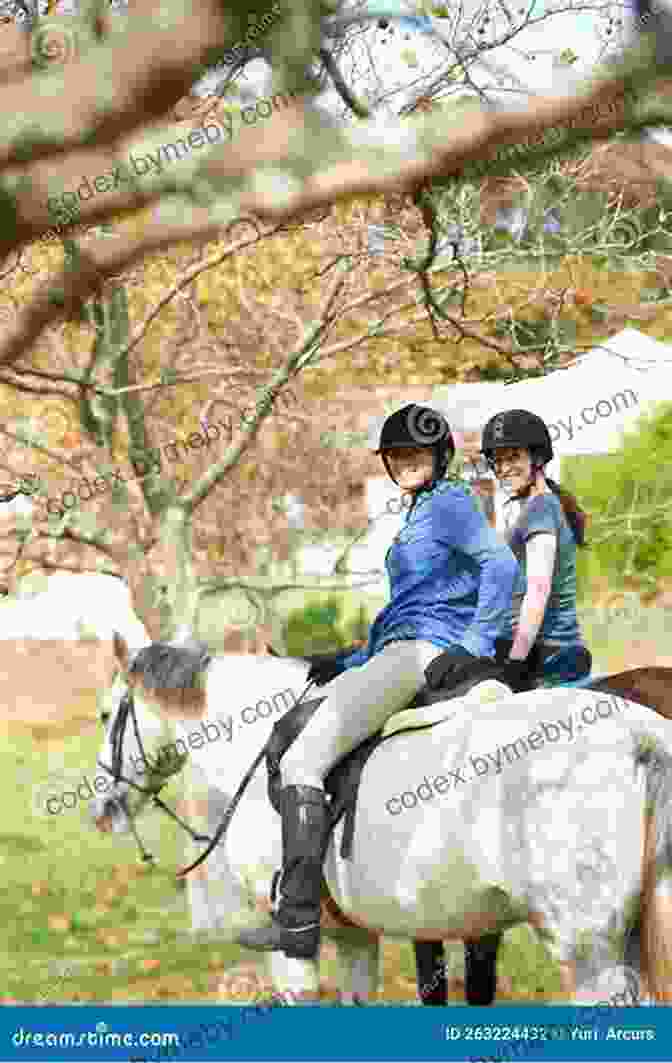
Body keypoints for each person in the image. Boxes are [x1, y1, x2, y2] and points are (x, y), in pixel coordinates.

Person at [236, 403, 519, 961]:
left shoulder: (449, 503)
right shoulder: (421, 511)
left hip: (422, 652)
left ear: (438, 458)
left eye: (416, 455)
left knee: (299, 762)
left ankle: (297, 918)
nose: (406, 464)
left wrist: (476, 644)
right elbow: (409, 604)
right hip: (401, 646)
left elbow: (501, 567)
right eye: (396, 457)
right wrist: (351, 658)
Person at [480, 408, 592, 690]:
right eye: (497, 461)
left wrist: (516, 661)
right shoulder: (537, 506)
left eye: (513, 457)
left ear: (538, 458)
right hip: (534, 647)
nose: (504, 468)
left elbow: (538, 590)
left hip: (542, 652)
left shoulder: (540, 508)